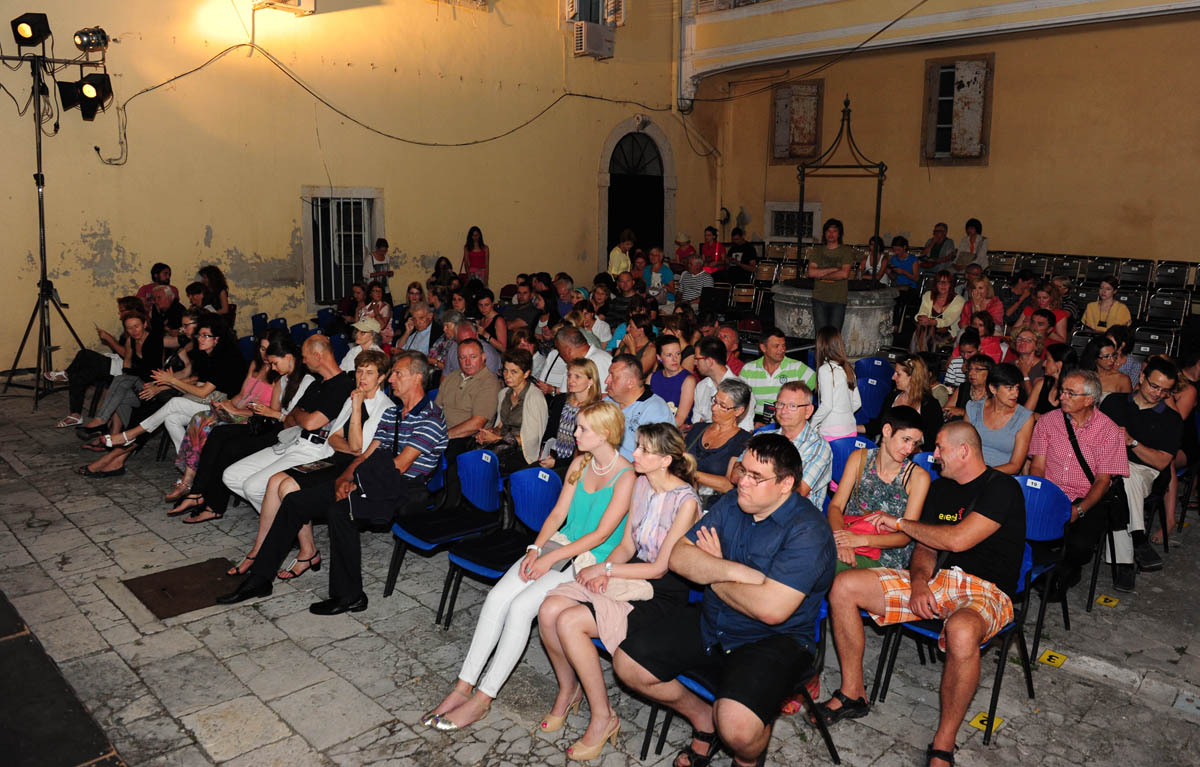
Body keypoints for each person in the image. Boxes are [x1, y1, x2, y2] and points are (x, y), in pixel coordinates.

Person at [614, 433, 836, 767]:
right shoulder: (736, 501)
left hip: (774, 640)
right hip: (715, 619)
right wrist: (736, 572)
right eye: (742, 471)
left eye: (755, 476)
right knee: (627, 663)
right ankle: (703, 719)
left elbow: (771, 610)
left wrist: (711, 573)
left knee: (738, 728)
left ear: (786, 483)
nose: (742, 481)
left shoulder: (808, 531)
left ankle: (746, 760)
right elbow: (677, 557)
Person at [821, 422, 1024, 767]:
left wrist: (899, 523)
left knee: (961, 631)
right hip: (936, 581)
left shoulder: (1002, 488)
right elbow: (927, 546)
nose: (934, 455)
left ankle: (943, 743)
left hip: (985, 591)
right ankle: (853, 692)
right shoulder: (942, 488)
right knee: (844, 586)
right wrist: (918, 582)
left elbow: (957, 539)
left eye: (941, 448)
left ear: (964, 451)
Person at [423, 402, 635, 730]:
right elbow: (557, 514)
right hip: (559, 546)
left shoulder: (626, 476)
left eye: (583, 429)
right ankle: (462, 687)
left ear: (606, 434)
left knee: (521, 609)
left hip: (588, 559)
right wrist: (536, 548)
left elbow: (601, 534)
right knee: (496, 599)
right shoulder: (581, 462)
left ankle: (483, 698)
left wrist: (549, 558)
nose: (574, 434)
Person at [219, 351, 448, 613]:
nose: (392, 378)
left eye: (398, 374)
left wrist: (357, 483)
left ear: (417, 378)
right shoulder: (394, 414)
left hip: (406, 490)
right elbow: (365, 455)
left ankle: (350, 596)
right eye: (392, 372)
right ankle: (259, 579)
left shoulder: (430, 417)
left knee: (340, 511)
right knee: (295, 502)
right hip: (376, 480)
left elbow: (400, 466)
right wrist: (343, 478)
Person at [537, 423, 700, 759]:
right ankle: (569, 691)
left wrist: (606, 570)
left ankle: (604, 717)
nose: (635, 454)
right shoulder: (641, 484)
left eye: (643, 450)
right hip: (629, 573)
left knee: (569, 621)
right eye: (637, 446)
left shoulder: (686, 502)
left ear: (666, 460)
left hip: (662, 592)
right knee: (549, 608)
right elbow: (627, 544)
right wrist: (604, 573)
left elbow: (660, 568)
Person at [226, 350, 394, 572]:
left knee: (287, 487)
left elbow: (358, 450)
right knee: (275, 480)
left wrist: (355, 410)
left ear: (381, 378)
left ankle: (298, 552)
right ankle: (267, 548)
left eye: (369, 373)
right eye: (359, 371)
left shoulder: (385, 408)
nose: (362, 377)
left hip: (352, 469)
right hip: (331, 457)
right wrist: (347, 440)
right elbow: (334, 438)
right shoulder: (353, 396)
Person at [167, 332, 314, 522]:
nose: (274, 368)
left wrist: (272, 413)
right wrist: (259, 411)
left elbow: (293, 421)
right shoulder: (282, 379)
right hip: (271, 427)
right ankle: (197, 493)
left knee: (230, 448)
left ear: (288, 357)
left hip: (287, 435)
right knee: (218, 433)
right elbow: (274, 415)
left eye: (275, 363)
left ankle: (213, 505)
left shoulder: (306, 381)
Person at [81, 315, 246, 477]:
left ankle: (128, 436)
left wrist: (170, 382)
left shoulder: (224, 357)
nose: (195, 336)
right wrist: (165, 384)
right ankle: (192, 465)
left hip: (222, 406)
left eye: (203, 335)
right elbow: (197, 379)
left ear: (217, 339)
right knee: (169, 417)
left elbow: (203, 389)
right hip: (199, 397)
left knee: (169, 403)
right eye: (198, 334)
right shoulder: (203, 352)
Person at [221, 335, 355, 511]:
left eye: (306, 356)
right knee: (231, 475)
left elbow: (310, 423)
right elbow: (289, 421)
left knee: (252, 487)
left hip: (315, 451)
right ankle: (281, 516)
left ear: (318, 355)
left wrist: (301, 415)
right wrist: (302, 416)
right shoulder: (316, 385)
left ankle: (280, 523)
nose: (304, 361)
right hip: (291, 441)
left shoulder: (343, 385)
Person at [1027, 369, 1128, 594]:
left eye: (1070, 393)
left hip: (1087, 495)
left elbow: (1103, 480)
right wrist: (1038, 498)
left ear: (1089, 400)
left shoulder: (1109, 432)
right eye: (1062, 391)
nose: (1062, 397)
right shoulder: (1048, 421)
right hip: (1051, 491)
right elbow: (1037, 466)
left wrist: (1080, 510)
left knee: (1080, 546)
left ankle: (1068, 567)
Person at [1097, 357, 1181, 587]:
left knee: (1126, 476)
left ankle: (1125, 561)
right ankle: (1137, 539)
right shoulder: (1114, 402)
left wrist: (1132, 443)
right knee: (1119, 485)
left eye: (1164, 391)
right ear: (1142, 377)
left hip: (1146, 472)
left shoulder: (1171, 419)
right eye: (1154, 386)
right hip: (1106, 465)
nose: (1158, 393)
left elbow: (1162, 462)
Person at [166, 331, 276, 502]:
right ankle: (189, 478)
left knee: (210, 427)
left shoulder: (279, 375)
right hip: (238, 410)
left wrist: (236, 411)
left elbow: (268, 412)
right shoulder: (256, 364)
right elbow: (241, 395)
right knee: (198, 418)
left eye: (268, 350)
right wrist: (227, 405)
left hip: (255, 419)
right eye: (262, 349)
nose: (265, 354)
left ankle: (194, 480)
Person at [825, 406, 930, 572]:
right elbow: (836, 506)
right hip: (849, 533)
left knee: (827, 564)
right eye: (906, 440)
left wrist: (860, 540)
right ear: (887, 431)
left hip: (886, 554)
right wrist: (842, 540)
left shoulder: (918, 477)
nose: (910, 449)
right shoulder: (859, 458)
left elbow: (906, 536)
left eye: (915, 443)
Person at [730, 381, 833, 510]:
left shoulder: (817, 447)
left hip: (795, 518)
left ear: (808, 411)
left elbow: (795, 492)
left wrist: (750, 477)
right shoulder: (761, 436)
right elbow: (734, 474)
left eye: (792, 406)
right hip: (752, 508)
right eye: (781, 404)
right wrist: (766, 481)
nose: (784, 411)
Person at [434, 338, 503, 506]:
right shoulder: (452, 377)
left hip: (469, 437)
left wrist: (444, 436)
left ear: (483, 357)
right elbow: (436, 409)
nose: (467, 362)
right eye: (462, 358)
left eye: (472, 356)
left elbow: (477, 423)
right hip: (445, 431)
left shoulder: (488, 382)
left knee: (453, 456)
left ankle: (451, 508)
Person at [474, 349, 548, 474]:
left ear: (526, 374)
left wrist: (497, 438)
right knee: (471, 457)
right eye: (505, 370)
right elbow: (501, 424)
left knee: (483, 466)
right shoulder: (504, 394)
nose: (507, 376)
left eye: (514, 372)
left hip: (522, 452)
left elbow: (531, 440)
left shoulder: (534, 398)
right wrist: (489, 433)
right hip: (502, 445)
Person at [685, 379, 753, 510]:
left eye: (722, 405)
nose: (714, 408)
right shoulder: (698, 429)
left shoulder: (743, 440)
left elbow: (729, 484)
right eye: (714, 401)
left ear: (738, 411)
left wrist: (690, 473)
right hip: (684, 500)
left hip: (715, 508)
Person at [966, 363, 1034, 474]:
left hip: (1000, 477)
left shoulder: (1024, 418)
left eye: (1017, 388)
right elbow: (961, 446)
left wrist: (982, 474)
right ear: (993, 389)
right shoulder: (974, 408)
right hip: (968, 471)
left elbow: (1015, 465)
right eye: (1009, 388)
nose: (1015, 393)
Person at [604, 354, 675, 460]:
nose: (606, 381)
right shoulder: (607, 402)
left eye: (613, 376)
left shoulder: (655, 410)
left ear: (630, 382)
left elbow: (656, 457)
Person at [867, 355, 943, 452]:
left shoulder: (930, 406)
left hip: (912, 455)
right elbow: (878, 426)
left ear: (913, 378)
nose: (893, 377)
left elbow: (932, 443)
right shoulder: (892, 397)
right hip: (886, 450)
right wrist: (852, 428)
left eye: (898, 374)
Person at [739, 329, 815, 423]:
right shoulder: (748, 370)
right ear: (763, 348)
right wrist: (752, 423)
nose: (782, 349)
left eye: (783, 345)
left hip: (787, 422)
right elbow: (740, 403)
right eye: (776, 346)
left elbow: (821, 387)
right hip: (758, 422)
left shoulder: (797, 368)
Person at [691, 337, 755, 431]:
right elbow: (696, 425)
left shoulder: (741, 391)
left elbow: (744, 431)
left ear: (709, 362)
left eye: (697, 359)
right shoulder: (701, 386)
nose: (694, 363)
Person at [811, 327, 861, 442]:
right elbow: (857, 403)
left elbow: (827, 406)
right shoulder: (848, 368)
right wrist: (842, 417)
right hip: (850, 428)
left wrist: (811, 424)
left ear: (820, 346)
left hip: (831, 432)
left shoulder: (825, 369)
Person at [807, 218, 855, 331]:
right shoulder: (817, 250)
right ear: (824, 233)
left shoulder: (845, 251)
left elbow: (844, 274)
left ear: (839, 234)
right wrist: (833, 270)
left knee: (834, 335)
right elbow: (811, 272)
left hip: (838, 299)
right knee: (820, 334)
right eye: (828, 231)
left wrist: (821, 274)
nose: (831, 234)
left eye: (834, 231)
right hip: (819, 298)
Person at [537, 327, 612, 396]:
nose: (560, 355)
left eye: (560, 351)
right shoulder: (575, 362)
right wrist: (553, 390)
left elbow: (604, 397)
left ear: (568, 350)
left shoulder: (599, 361)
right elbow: (567, 393)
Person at [650, 335, 697, 430]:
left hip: (672, 433)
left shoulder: (688, 380)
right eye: (669, 355)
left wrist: (654, 433)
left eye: (678, 354)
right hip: (654, 427)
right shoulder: (652, 377)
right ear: (659, 357)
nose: (675, 359)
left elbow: (680, 419)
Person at [912, 271, 965, 353]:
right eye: (940, 282)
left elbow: (947, 321)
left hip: (948, 333)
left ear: (951, 284)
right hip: (927, 330)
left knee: (926, 331)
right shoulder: (928, 295)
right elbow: (921, 313)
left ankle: (918, 356)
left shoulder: (959, 301)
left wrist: (931, 322)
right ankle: (925, 357)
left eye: (946, 282)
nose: (943, 285)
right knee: (924, 328)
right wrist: (920, 318)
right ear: (936, 284)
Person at [1025, 345, 1078, 418]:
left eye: (1048, 360)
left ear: (1059, 365)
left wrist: (1038, 416)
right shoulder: (1041, 384)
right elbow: (1024, 414)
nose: (1043, 364)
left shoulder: (1075, 391)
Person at [945, 353, 994, 420]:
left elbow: (993, 416)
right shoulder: (964, 387)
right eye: (970, 369)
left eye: (977, 370)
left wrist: (963, 412)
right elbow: (947, 409)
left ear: (989, 371)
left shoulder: (994, 392)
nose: (971, 373)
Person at [1107, 325, 1143, 390]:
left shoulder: (1134, 366)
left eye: (1110, 342)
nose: (1105, 344)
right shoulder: (1102, 359)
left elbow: (1130, 389)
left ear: (1122, 345)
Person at [364, 281, 394, 346]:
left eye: (380, 291)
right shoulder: (366, 308)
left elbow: (382, 326)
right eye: (375, 291)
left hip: (383, 341)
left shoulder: (385, 306)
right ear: (370, 293)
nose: (378, 293)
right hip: (369, 340)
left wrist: (376, 311)